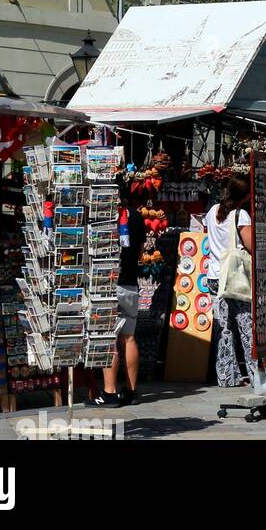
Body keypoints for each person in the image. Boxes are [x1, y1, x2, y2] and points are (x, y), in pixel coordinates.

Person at [95, 172, 145, 407]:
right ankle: (132, 391)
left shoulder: (103, 218)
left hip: (108, 284)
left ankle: (109, 391)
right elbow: (141, 250)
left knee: (109, 339)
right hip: (130, 283)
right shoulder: (136, 217)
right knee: (129, 337)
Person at [203, 175, 258, 388]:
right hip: (234, 276)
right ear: (246, 196)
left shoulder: (213, 211)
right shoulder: (240, 215)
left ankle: (227, 376)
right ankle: (256, 374)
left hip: (214, 275)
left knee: (223, 328)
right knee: (245, 324)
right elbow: (251, 245)